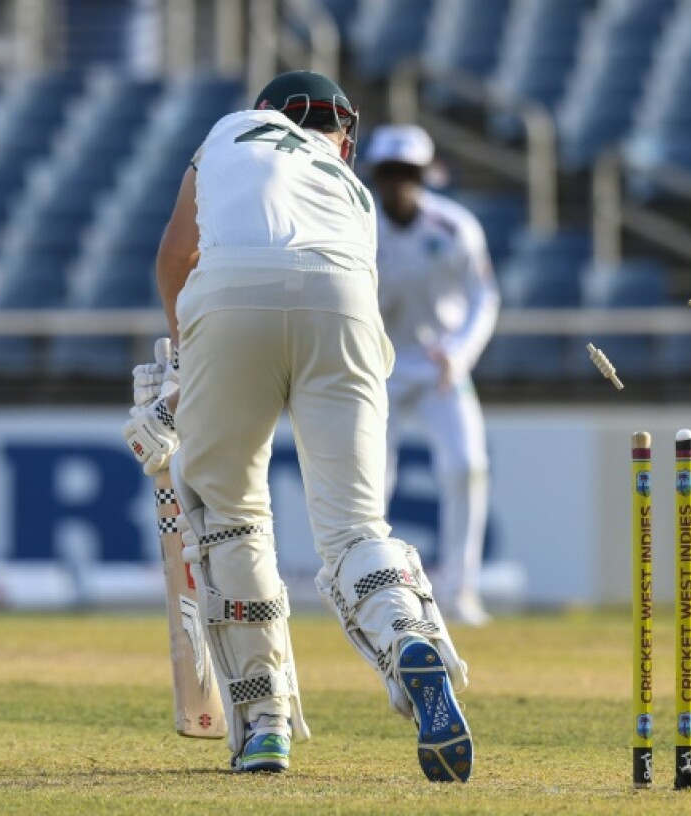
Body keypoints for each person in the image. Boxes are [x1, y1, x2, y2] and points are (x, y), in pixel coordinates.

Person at [121, 71, 473, 782]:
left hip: (229, 295)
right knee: (353, 529)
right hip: (342, 301)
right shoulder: (353, 189)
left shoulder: (226, 133)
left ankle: (264, 723)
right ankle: (408, 638)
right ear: (339, 133)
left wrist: (188, 360)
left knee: (229, 516)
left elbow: (173, 257)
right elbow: (337, 292)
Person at [364, 125, 500, 627]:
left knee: (467, 465)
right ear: (376, 176)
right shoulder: (357, 225)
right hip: (378, 368)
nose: (400, 183)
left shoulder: (453, 226)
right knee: (372, 481)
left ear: (425, 175)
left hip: (441, 367)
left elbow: (484, 296)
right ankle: (369, 590)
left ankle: (459, 590)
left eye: (409, 173)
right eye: (391, 173)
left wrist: (462, 352)